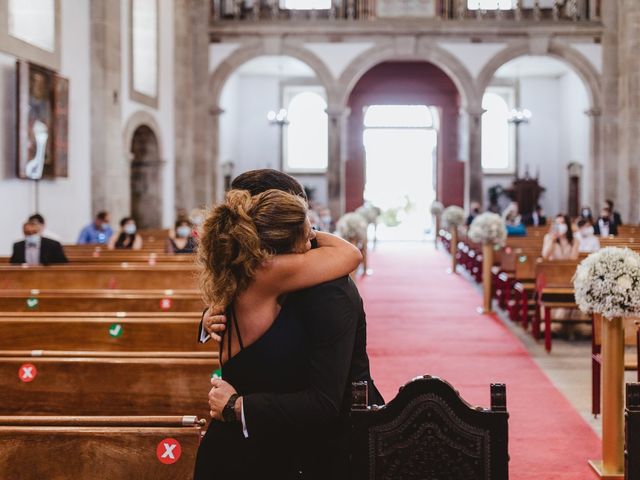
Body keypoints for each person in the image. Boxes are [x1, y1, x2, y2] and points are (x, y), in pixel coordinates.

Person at [195, 169, 383, 479]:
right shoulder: (266, 273)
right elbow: (351, 254)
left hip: (291, 444)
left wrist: (239, 407)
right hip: (271, 449)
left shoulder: (244, 271)